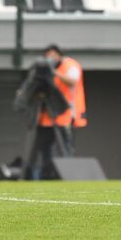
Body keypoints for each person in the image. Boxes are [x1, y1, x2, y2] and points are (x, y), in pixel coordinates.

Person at [34, 44, 86, 179]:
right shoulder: (43, 69)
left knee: (65, 149)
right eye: (48, 56)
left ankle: (68, 176)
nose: (50, 58)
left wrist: (54, 72)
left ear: (59, 55)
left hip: (66, 115)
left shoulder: (70, 65)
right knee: (45, 150)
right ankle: (47, 176)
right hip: (46, 117)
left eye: (53, 55)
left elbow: (72, 81)